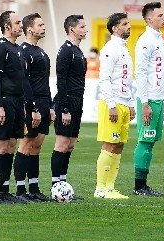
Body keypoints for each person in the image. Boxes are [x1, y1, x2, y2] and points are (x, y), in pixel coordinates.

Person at [0, 10, 37, 204]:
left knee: (10, 146)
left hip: (17, 102)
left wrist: (25, 104)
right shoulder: (1, 48)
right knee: (0, 145)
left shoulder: (16, 49)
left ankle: (4, 190)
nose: (21, 26)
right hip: (4, 101)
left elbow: (22, 80)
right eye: (17, 23)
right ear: (7, 27)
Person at [94, 12, 135, 200]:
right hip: (113, 103)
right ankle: (101, 188)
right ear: (115, 28)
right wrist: (111, 105)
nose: (129, 26)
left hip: (124, 102)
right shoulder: (110, 48)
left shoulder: (125, 49)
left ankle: (110, 187)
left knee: (119, 145)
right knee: (110, 144)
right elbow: (105, 79)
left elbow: (126, 80)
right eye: (125, 24)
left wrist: (131, 103)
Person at [15, 12, 52, 202]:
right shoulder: (24, 51)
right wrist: (33, 108)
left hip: (45, 104)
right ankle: (20, 190)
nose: (43, 27)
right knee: (26, 144)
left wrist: (51, 106)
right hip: (32, 105)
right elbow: (24, 83)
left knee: (37, 146)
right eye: (40, 25)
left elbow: (44, 81)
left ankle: (34, 188)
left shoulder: (41, 52)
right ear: (29, 28)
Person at [132, 1, 164, 196]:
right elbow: (142, 72)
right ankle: (139, 186)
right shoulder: (146, 40)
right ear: (149, 19)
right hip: (149, 99)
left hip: (158, 98)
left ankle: (143, 184)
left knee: (151, 142)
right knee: (145, 141)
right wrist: (144, 103)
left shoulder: (158, 39)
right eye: (160, 15)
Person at [51, 14, 88, 192]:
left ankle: (63, 184)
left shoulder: (78, 50)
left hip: (77, 101)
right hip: (67, 102)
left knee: (71, 144)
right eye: (82, 26)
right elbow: (61, 81)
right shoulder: (65, 50)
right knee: (62, 143)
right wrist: (64, 108)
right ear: (71, 29)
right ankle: (55, 186)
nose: (86, 29)